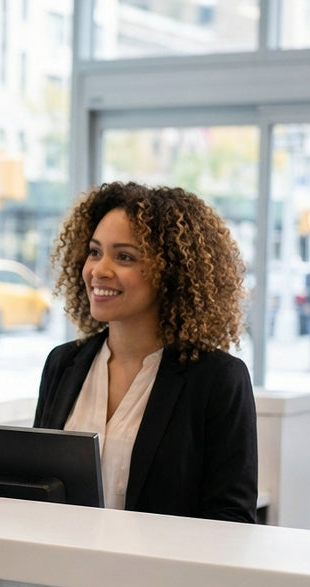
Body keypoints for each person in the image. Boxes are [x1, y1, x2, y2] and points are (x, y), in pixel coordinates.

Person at [33, 182, 258, 523]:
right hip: (60, 572)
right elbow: (36, 488)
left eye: (124, 256)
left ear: (172, 272)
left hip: (162, 574)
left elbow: (232, 518)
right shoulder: (63, 364)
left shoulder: (216, 378)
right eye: (95, 251)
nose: (99, 270)